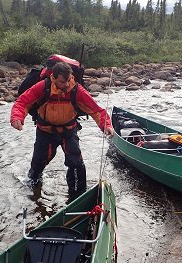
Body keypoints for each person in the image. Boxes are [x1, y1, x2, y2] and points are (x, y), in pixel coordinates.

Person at [10, 61, 114, 203]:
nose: (66, 85)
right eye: (62, 81)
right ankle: (33, 190)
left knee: (76, 164)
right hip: (45, 131)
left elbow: (96, 110)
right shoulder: (43, 87)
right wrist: (17, 117)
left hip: (69, 131)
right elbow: (22, 102)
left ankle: (78, 197)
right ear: (53, 77)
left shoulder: (76, 89)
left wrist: (106, 125)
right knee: (39, 163)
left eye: (69, 80)